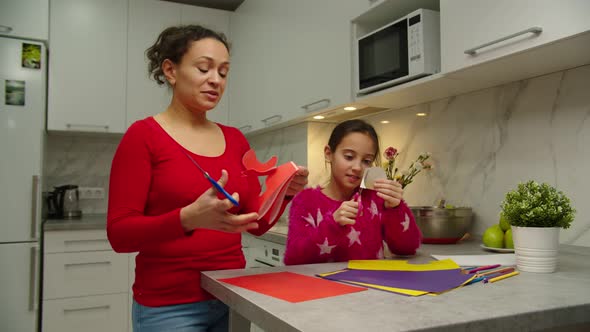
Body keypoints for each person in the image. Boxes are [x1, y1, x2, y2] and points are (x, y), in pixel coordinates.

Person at [107, 25, 308, 332]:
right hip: (169, 307)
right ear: (171, 71)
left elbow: (256, 223)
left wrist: (285, 192)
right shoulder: (143, 136)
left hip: (232, 297)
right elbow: (119, 234)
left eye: (224, 72)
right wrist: (187, 218)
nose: (216, 80)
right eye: (204, 68)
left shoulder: (235, 139)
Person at [283, 119, 421, 265]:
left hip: (373, 286)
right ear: (329, 154)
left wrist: (395, 208)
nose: (357, 167)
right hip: (326, 287)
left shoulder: (375, 198)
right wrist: (333, 224)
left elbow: (408, 248)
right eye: (349, 157)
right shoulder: (306, 201)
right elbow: (293, 260)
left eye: (366, 161)